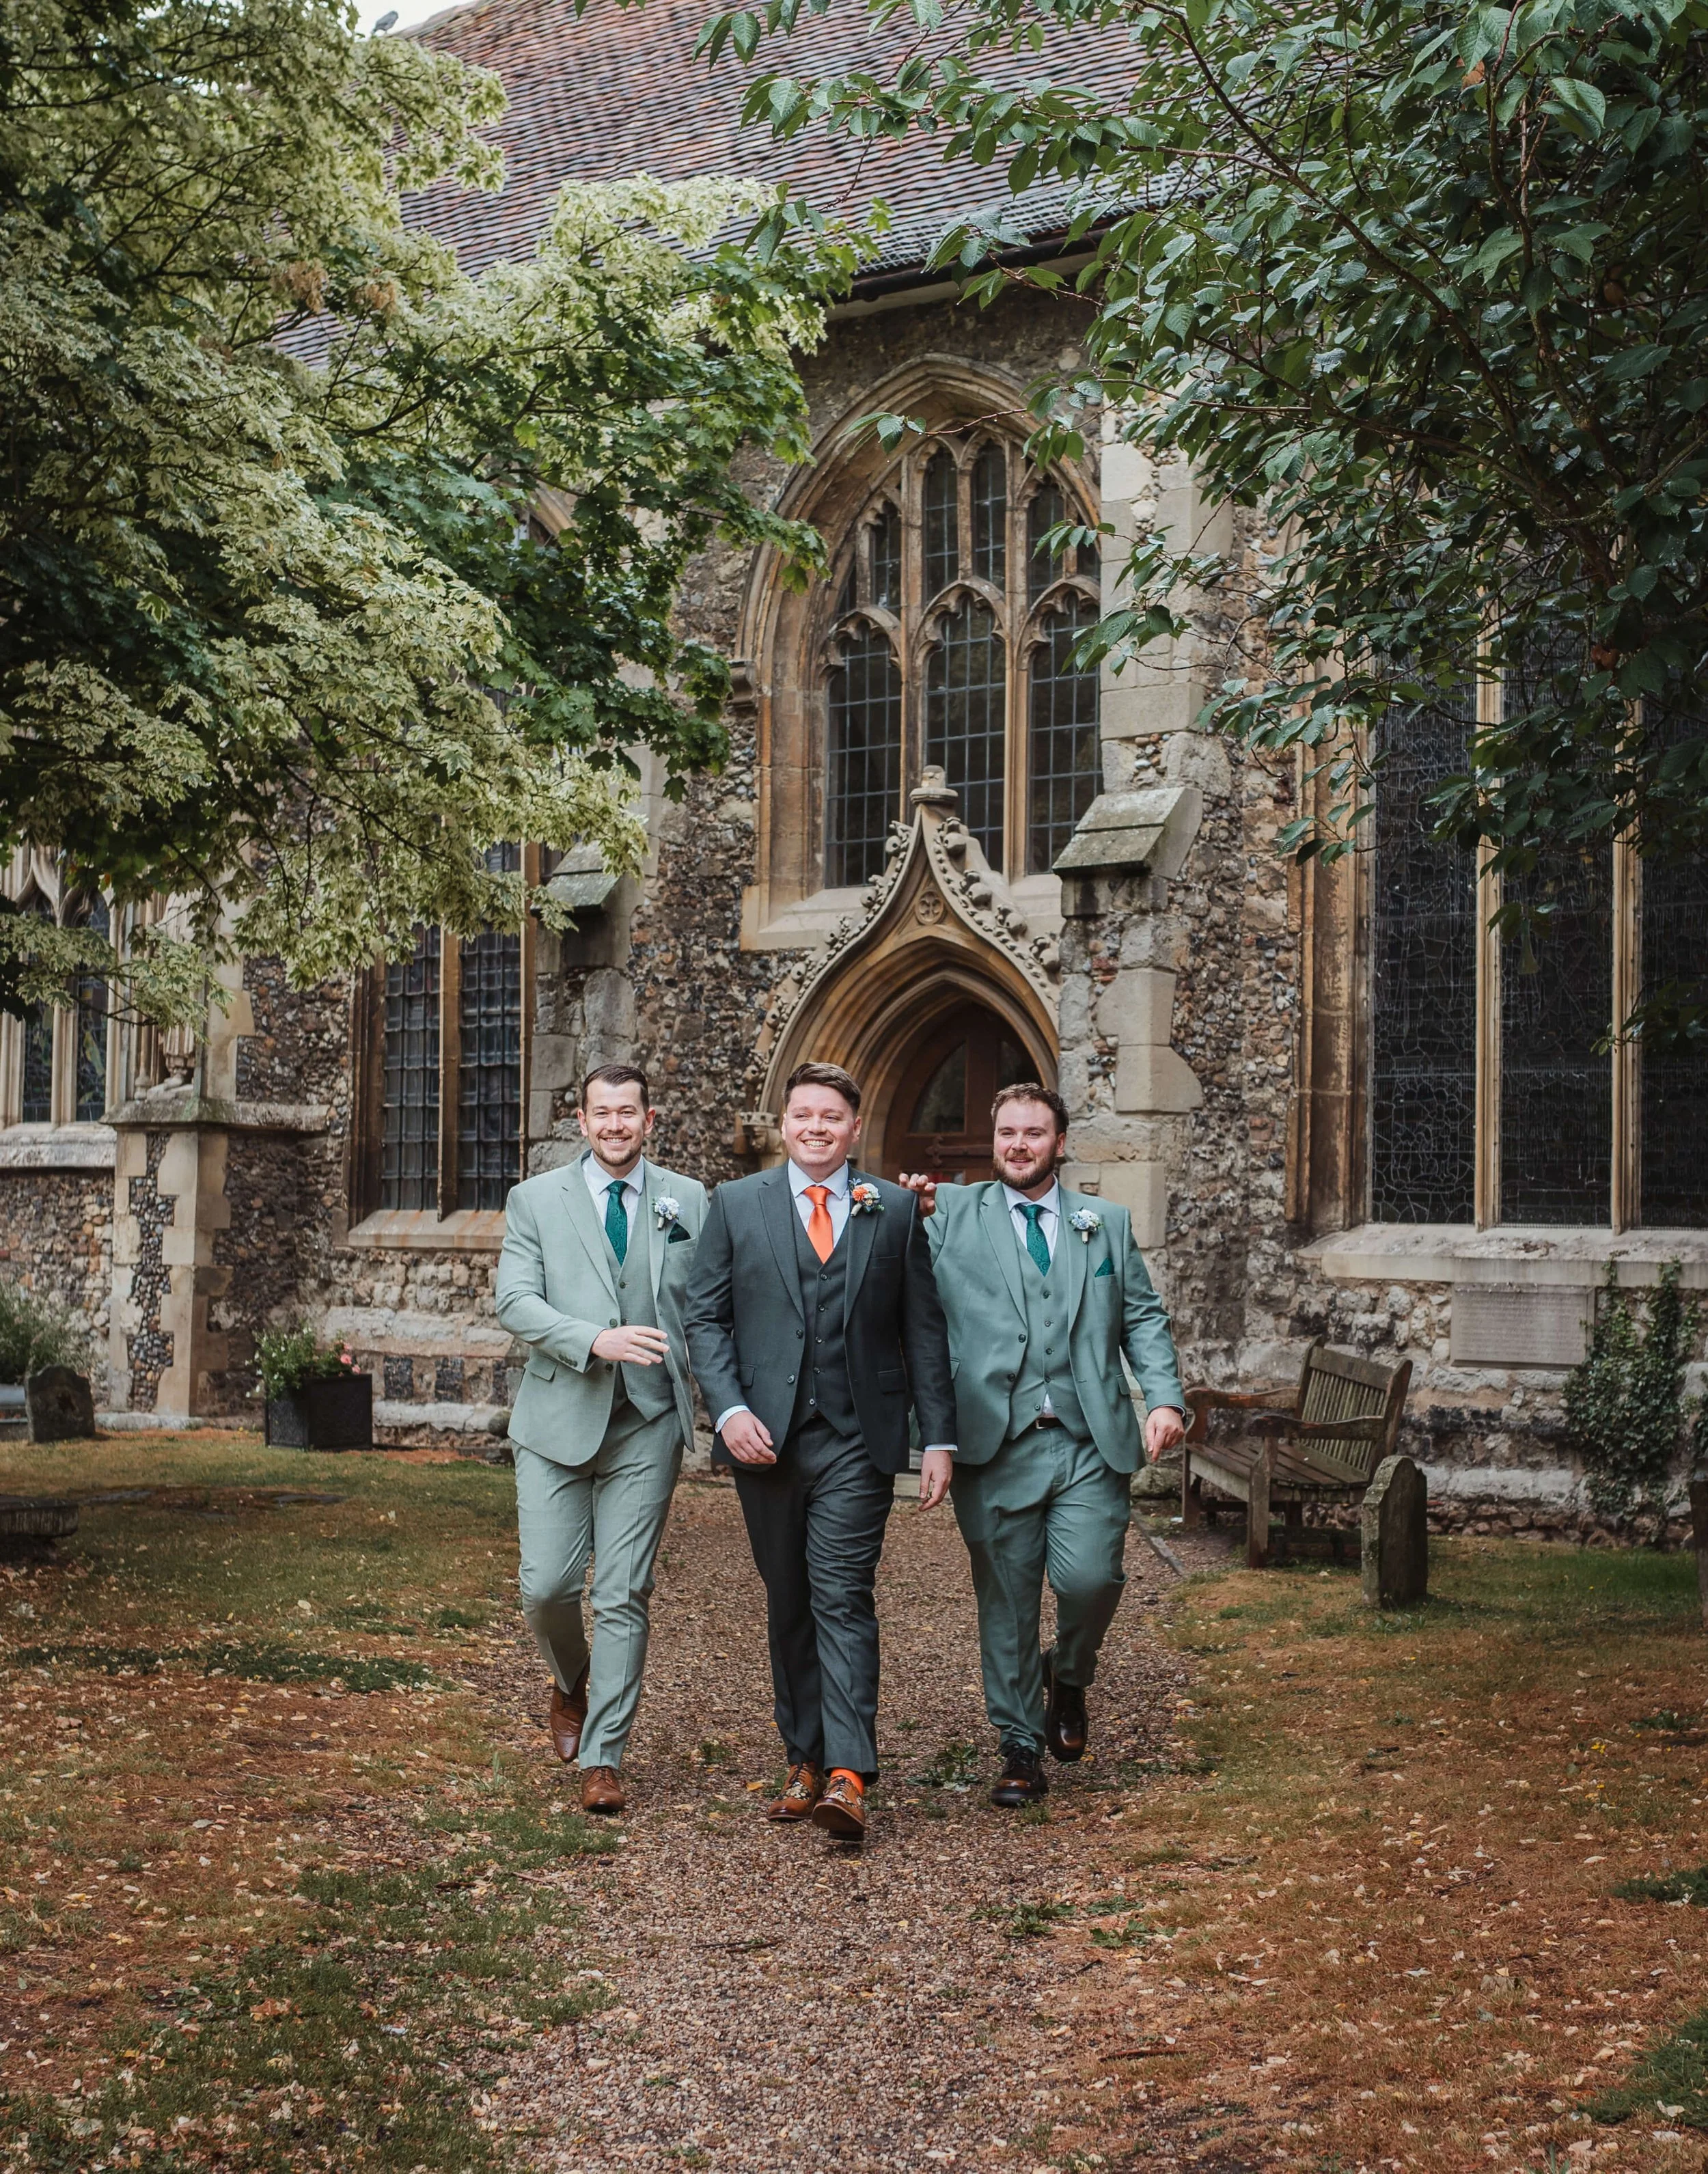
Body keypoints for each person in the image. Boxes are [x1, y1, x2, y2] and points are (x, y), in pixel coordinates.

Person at [683, 1060, 956, 1844]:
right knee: (789, 1597)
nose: (815, 1127)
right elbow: (705, 1317)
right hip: (764, 1438)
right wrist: (730, 1409)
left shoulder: (891, 1207)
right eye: (803, 1114)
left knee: (841, 1592)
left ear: (853, 1127)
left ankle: (848, 1773)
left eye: (831, 1116)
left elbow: (922, 1329)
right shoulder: (736, 1203)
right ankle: (802, 1756)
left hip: (857, 1436)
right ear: (784, 1122)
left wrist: (937, 1437)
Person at [903, 1084, 1185, 1807]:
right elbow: (899, 1278)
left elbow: (1142, 1318)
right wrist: (905, 1209)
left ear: (1059, 1143)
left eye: (1033, 1133)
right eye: (1007, 1132)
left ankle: (1069, 1674)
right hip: (993, 1441)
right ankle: (1019, 1744)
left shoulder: (1105, 1222)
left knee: (1091, 1579)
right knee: (1006, 1598)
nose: (1018, 1145)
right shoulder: (948, 1211)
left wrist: (1163, 1397)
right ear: (993, 1140)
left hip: (1088, 1441)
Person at [495, 1064, 706, 1818]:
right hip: (557, 1418)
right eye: (602, 1113)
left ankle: (604, 1756)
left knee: (622, 1590)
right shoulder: (535, 1199)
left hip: (648, 1421)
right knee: (546, 1588)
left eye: (628, 1112)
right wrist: (593, 1339)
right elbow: (514, 1301)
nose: (615, 1125)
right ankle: (570, 1679)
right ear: (580, 1121)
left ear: (650, 1120)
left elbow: (708, 1302)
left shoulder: (690, 1199)